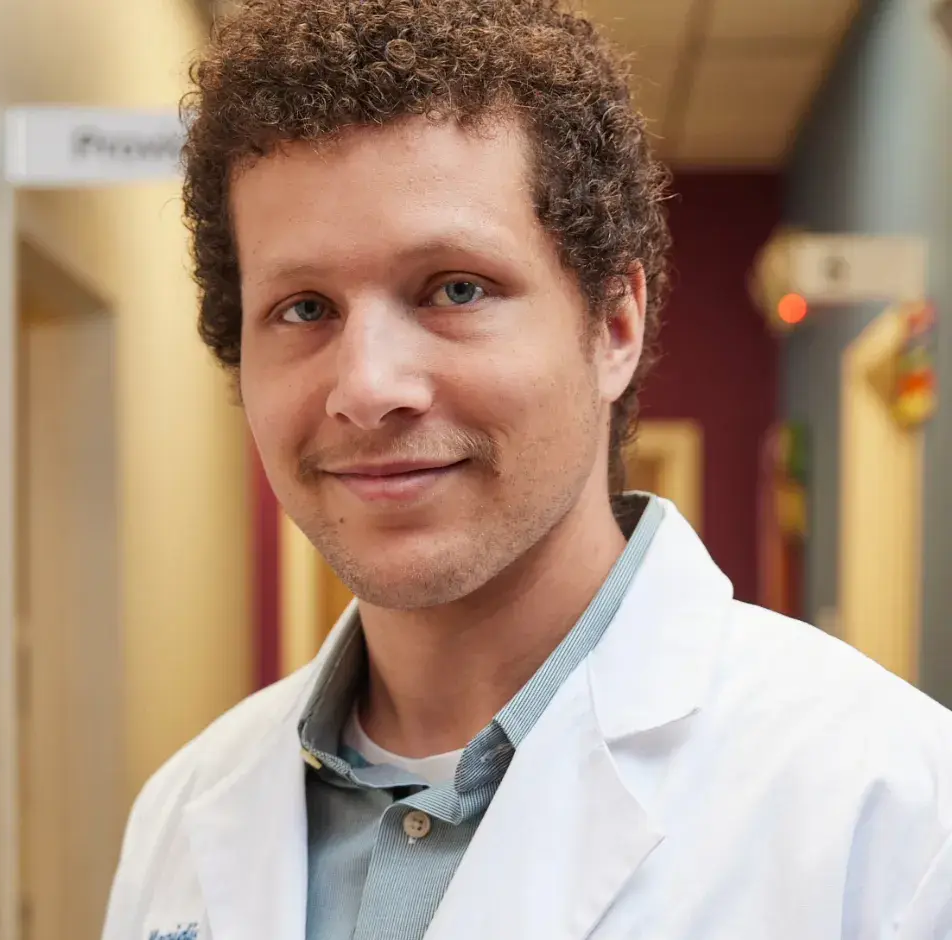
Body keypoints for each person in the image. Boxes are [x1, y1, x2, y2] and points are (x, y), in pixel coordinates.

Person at [101, 1, 952, 937]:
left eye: (456, 289)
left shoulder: (892, 813)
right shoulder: (185, 813)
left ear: (614, 326)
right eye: (304, 308)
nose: (367, 387)